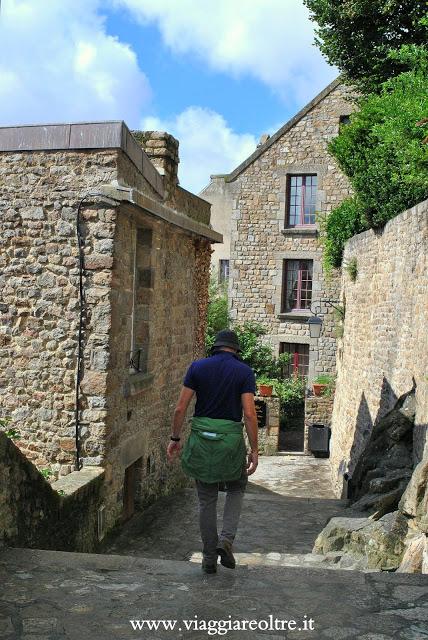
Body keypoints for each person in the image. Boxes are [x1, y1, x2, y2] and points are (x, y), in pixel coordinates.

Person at [167, 329, 259, 574]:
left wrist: (175, 438)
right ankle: (226, 540)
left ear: (215, 347)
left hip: (202, 441)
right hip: (230, 442)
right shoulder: (244, 372)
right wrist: (254, 450)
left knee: (206, 500)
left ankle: (208, 558)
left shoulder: (197, 367)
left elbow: (180, 408)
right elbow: (249, 413)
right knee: (237, 488)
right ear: (236, 350)